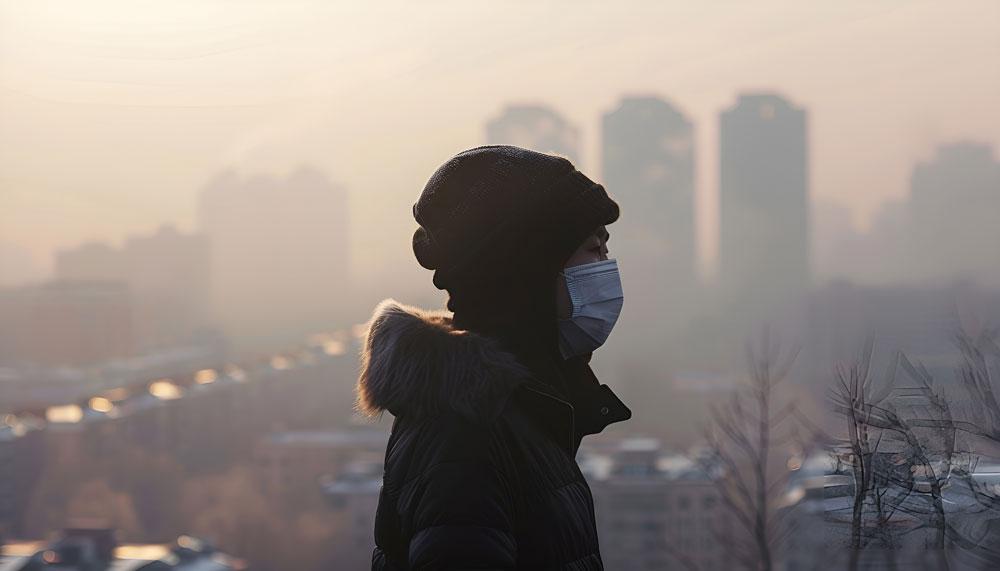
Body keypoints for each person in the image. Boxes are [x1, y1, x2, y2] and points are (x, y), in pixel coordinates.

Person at [357, 145, 632, 570]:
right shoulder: (465, 437)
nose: (607, 267)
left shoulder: (515, 409)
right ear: (528, 270)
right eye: (594, 250)